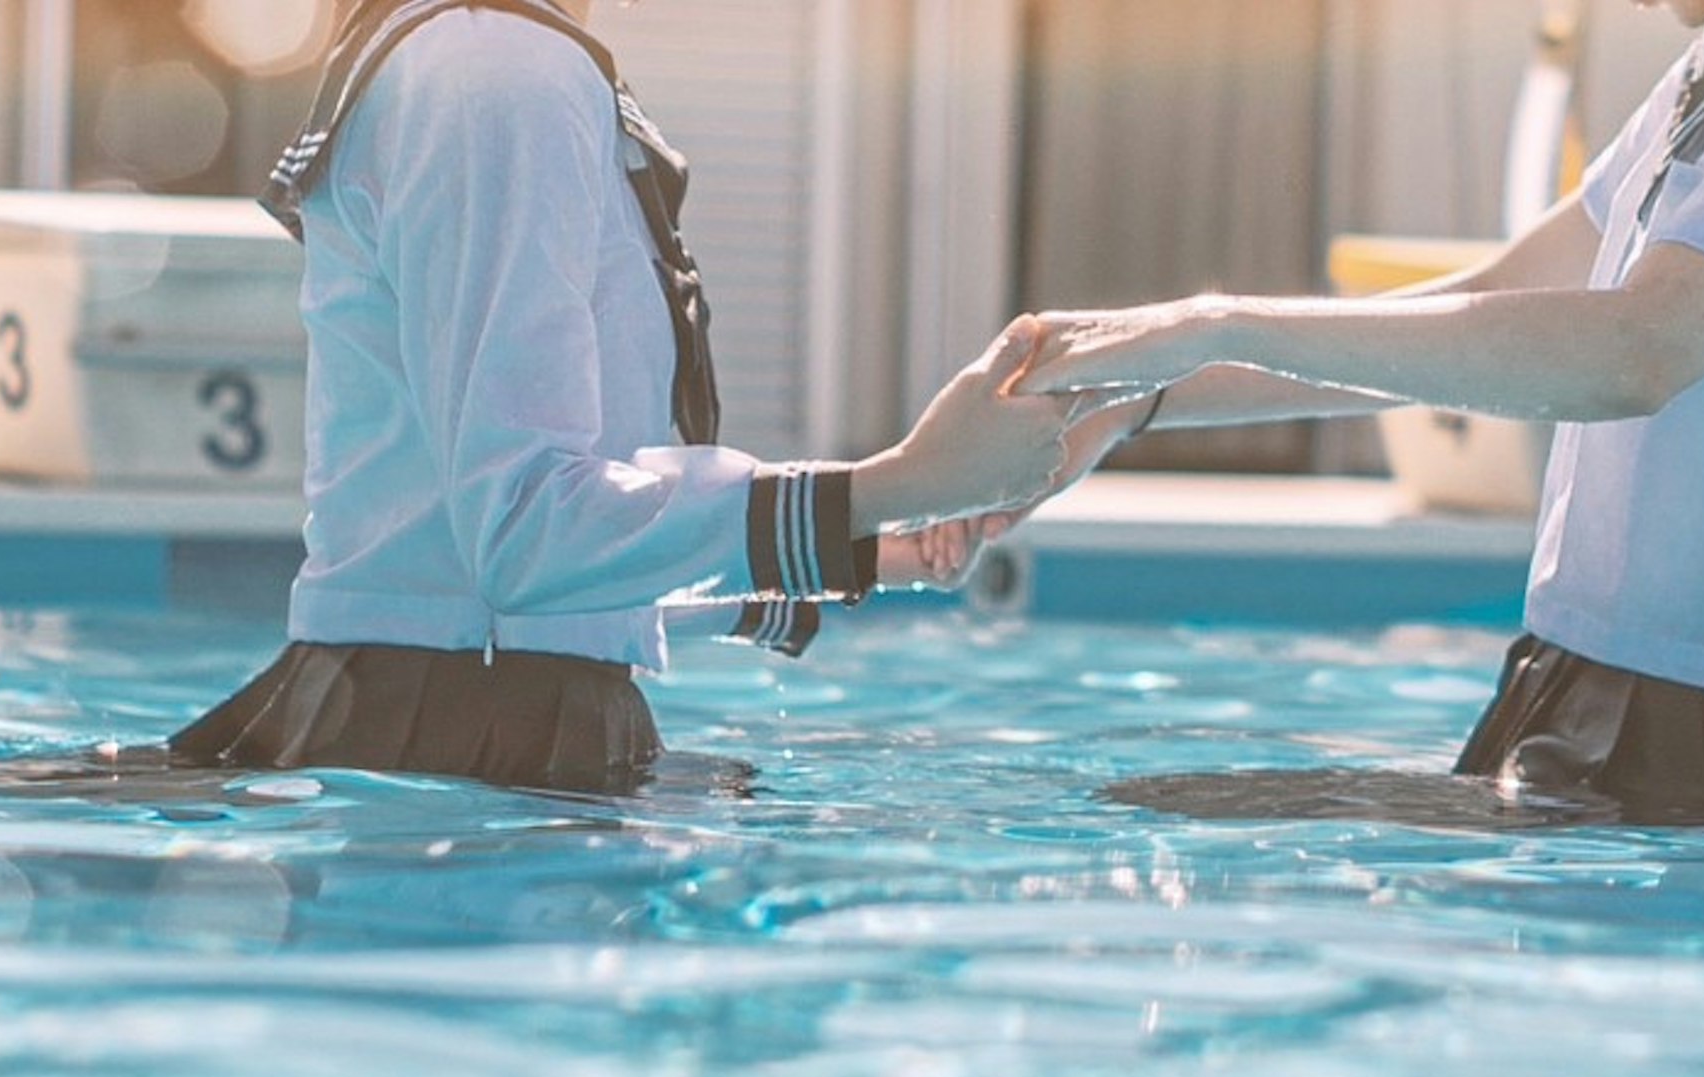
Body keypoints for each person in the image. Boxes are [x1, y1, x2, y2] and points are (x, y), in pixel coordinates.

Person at [1017, 0, 1704, 813]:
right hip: (1603, 694)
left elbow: (1639, 348)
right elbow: (1508, 291)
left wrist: (1222, 321)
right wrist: (1137, 400)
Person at [174, 0, 1112, 798]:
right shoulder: (499, 70)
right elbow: (524, 539)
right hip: (474, 748)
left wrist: (866, 546)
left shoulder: (477, 56)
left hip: (431, 732)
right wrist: (894, 484)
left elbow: (493, 575)